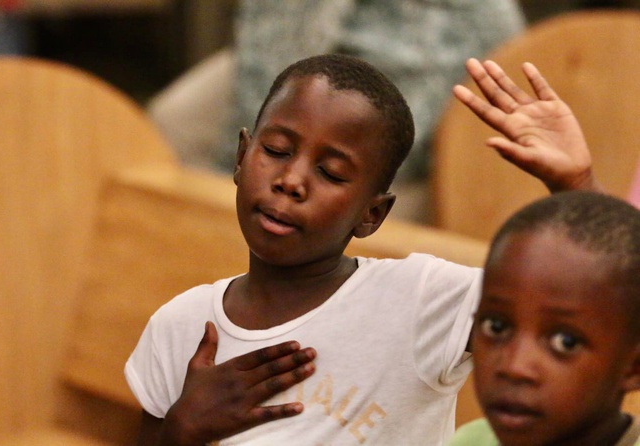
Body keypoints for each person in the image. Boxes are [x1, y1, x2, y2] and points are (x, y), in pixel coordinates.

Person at [125, 54, 594, 445]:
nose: (291, 181)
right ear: (241, 156)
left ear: (372, 214)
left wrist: (576, 186)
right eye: (277, 149)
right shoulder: (179, 327)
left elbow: (596, 302)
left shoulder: (420, 301)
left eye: (330, 173)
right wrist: (180, 431)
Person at [147, 0, 525, 222]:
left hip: (406, 81)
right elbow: (277, 31)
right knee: (169, 123)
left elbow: (498, 41)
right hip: (295, 51)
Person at [447, 190, 640, 446]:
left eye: (565, 342)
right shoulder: (471, 441)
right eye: (496, 327)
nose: (514, 366)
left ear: (634, 367)